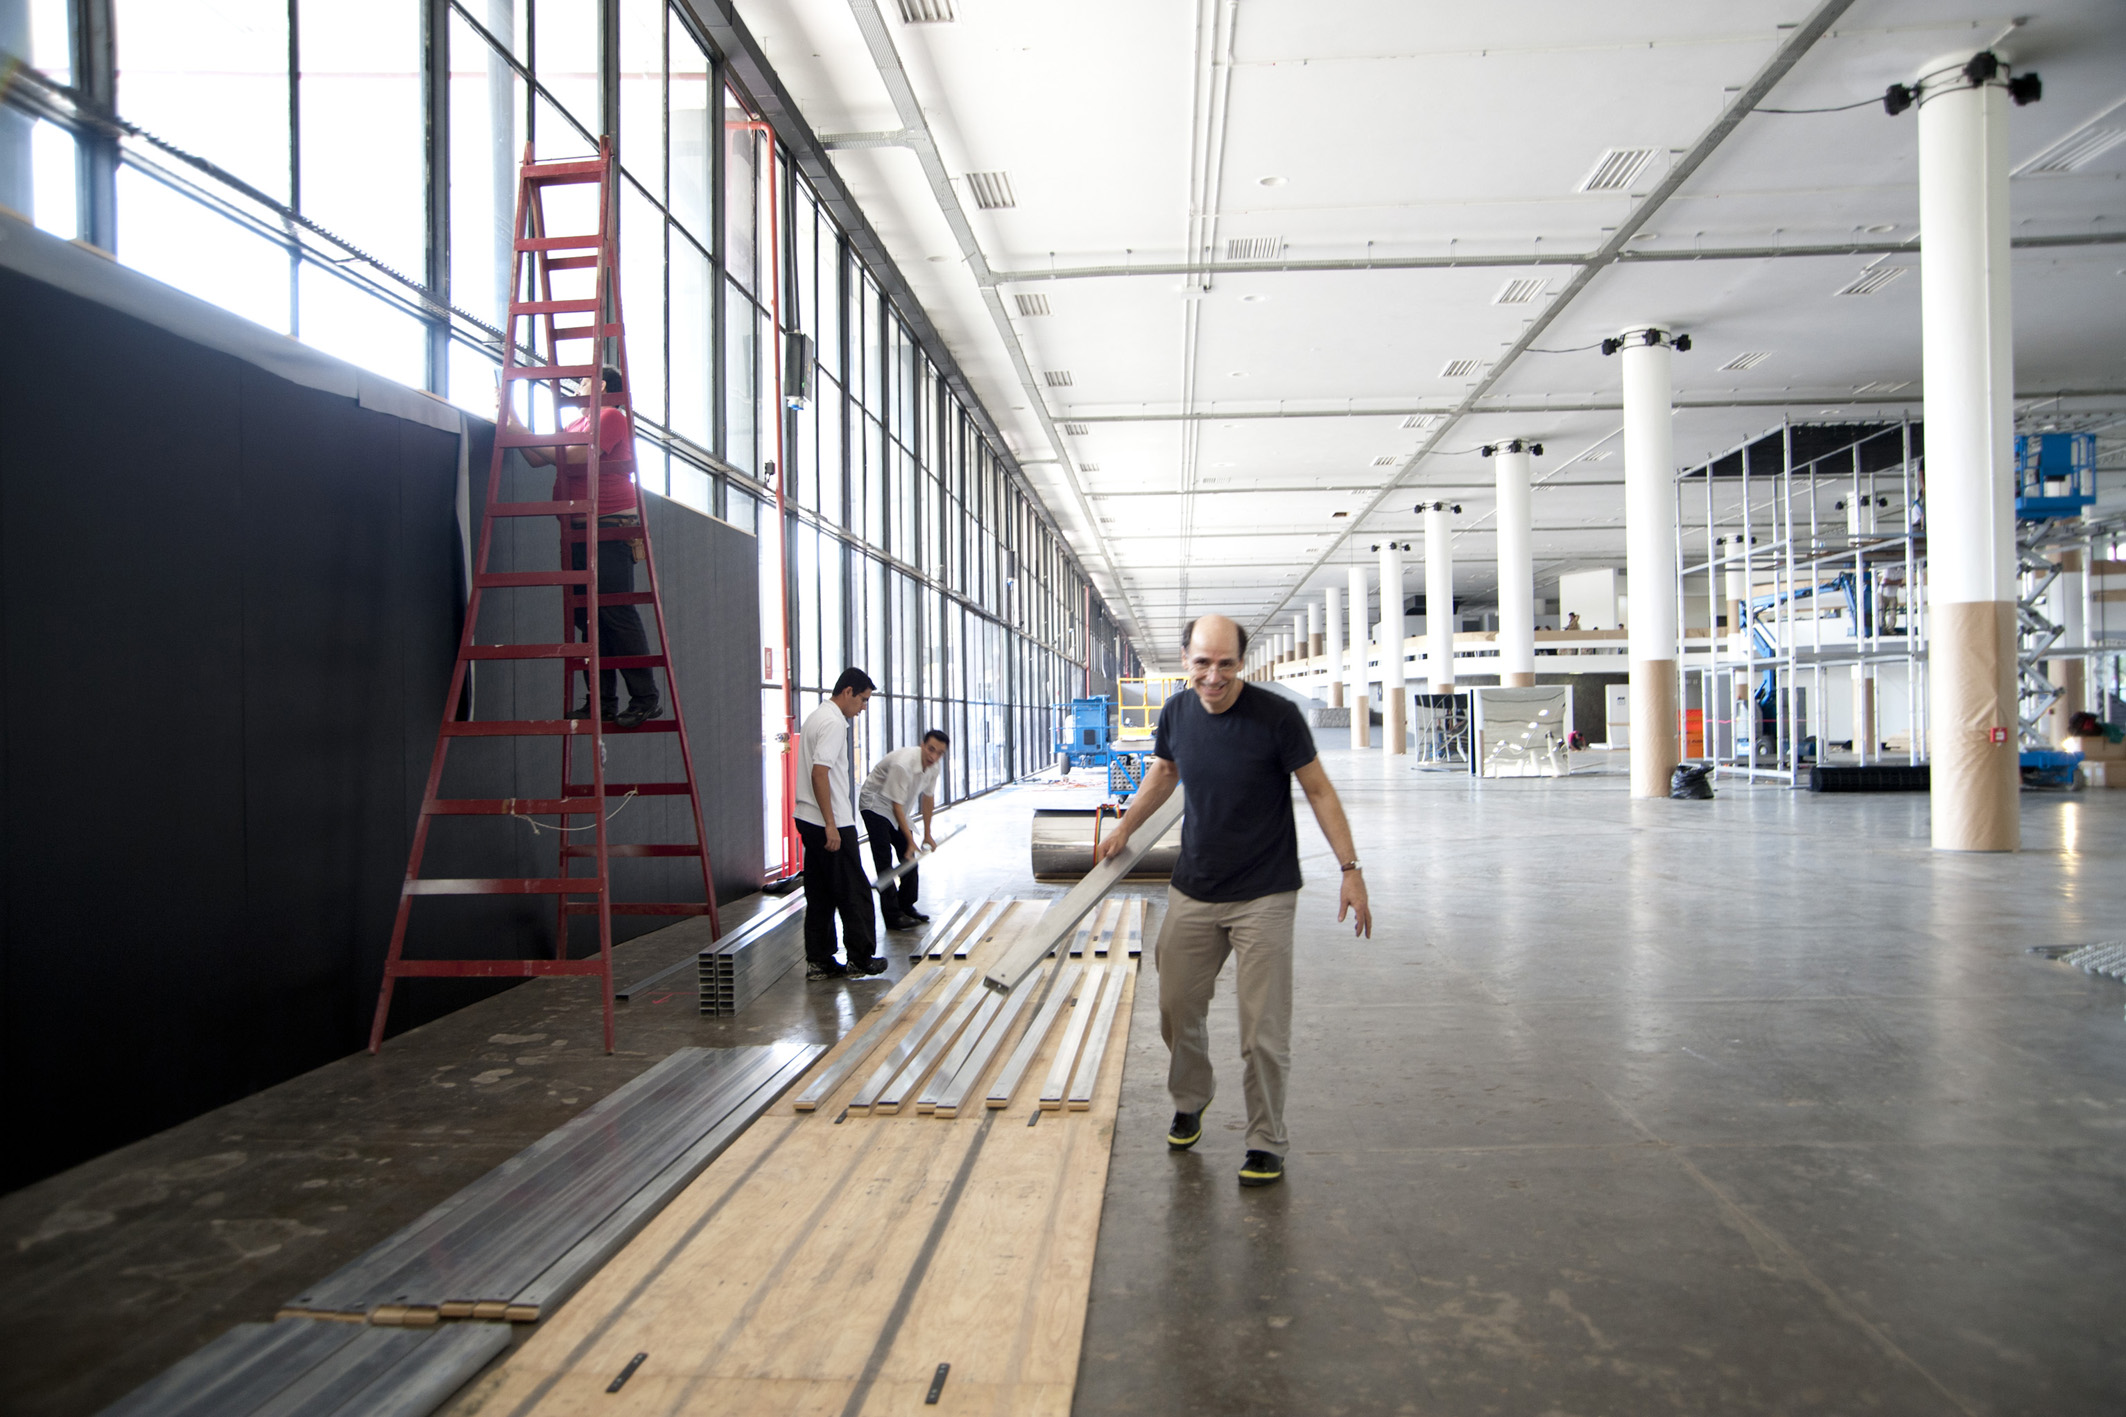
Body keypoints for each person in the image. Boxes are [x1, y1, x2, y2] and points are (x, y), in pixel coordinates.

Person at [1093, 614, 1371, 1189]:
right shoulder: (1175, 713)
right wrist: (1126, 826)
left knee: (1263, 1030)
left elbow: (1318, 789)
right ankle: (1192, 1098)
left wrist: (1350, 869)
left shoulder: (1277, 717)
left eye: (1225, 663)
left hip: (1265, 894)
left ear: (1241, 661)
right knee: (1175, 1008)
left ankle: (1265, 1139)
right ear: (1185, 659)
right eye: (1201, 663)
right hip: (1194, 887)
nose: (1213, 676)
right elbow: (1164, 772)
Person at [506, 366, 661, 728]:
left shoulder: (609, 416)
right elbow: (536, 456)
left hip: (607, 525)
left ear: (601, 385)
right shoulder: (577, 424)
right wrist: (511, 415)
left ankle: (644, 697)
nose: (576, 388)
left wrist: (533, 438)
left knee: (615, 613)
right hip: (578, 528)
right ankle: (602, 701)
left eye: (582, 381)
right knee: (588, 620)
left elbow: (573, 456)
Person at [794, 668, 888, 980]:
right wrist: (832, 825)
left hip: (808, 817)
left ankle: (819, 960)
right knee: (854, 891)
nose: (863, 707)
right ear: (847, 692)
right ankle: (860, 959)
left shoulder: (815, 717)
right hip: (828, 821)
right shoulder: (834, 723)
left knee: (820, 892)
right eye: (862, 700)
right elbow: (819, 773)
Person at [860, 730, 948, 930]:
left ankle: (906, 906)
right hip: (875, 804)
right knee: (885, 861)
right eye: (931, 749)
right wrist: (909, 841)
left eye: (939, 753)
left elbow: (928, 798)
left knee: (910, 859)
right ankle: (892, 917)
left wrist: (927, 834)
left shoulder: (934, 767)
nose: (933, 757)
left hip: (897, 808)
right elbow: (895, 806)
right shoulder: (904, 764)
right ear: (922, 745)